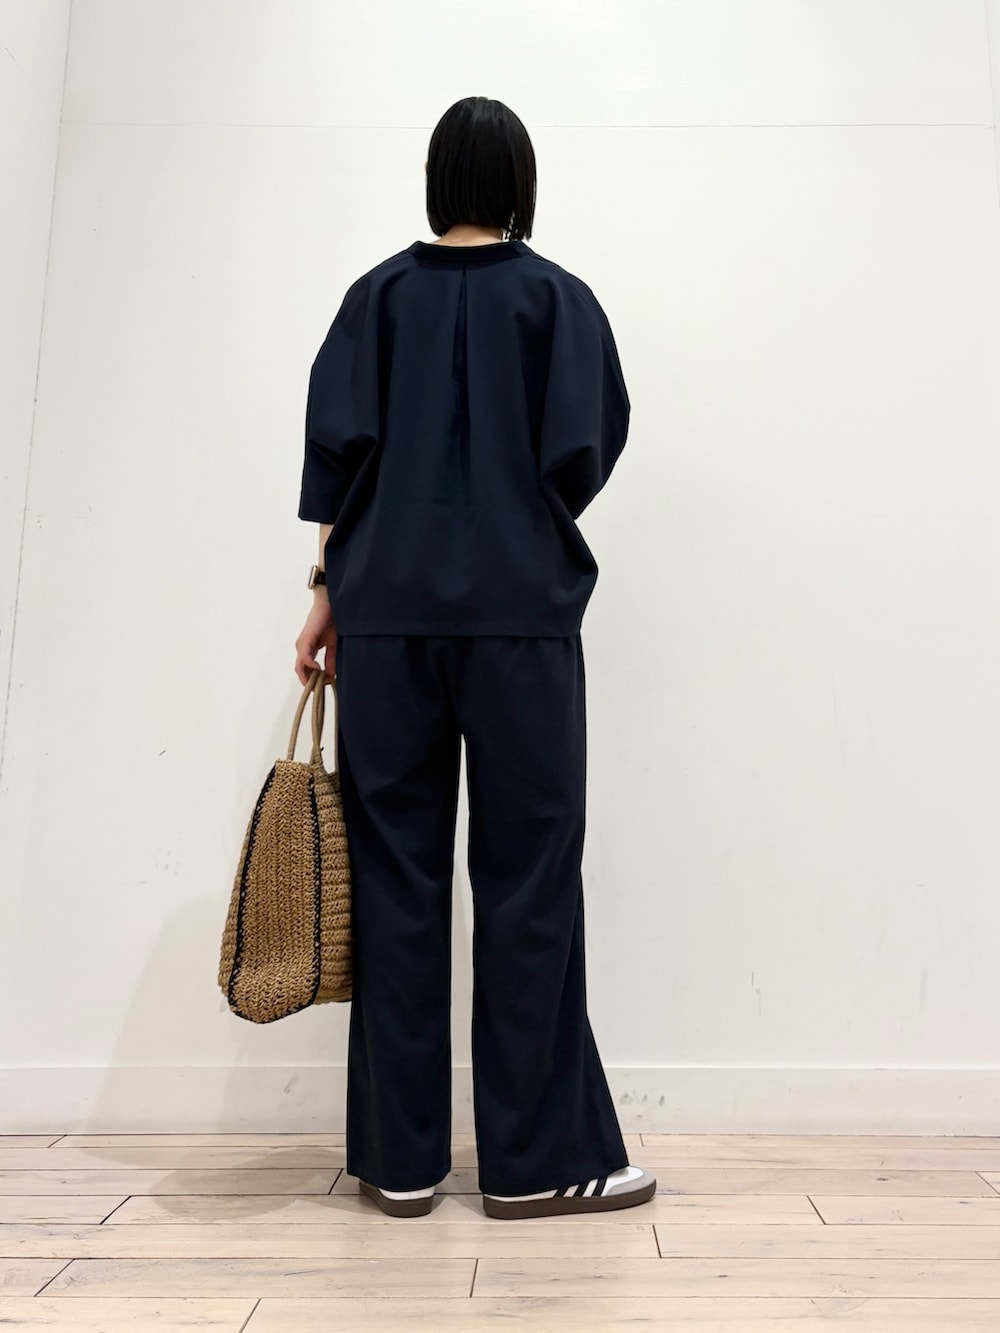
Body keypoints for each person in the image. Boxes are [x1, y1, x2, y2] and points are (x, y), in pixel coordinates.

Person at [293, 95, 655, 1221]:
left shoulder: (375, 299)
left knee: (394, 875)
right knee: (529, 878)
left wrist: (324, 595)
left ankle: (399, 1162)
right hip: (518, 620)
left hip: (385, 621)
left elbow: (338, 460)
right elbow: (586, 446)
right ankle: (537, 1160)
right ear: (518, 184)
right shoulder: (558, 300)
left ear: (437, 180)